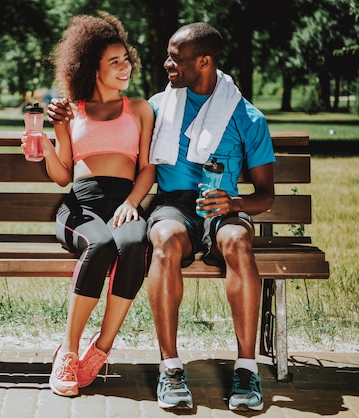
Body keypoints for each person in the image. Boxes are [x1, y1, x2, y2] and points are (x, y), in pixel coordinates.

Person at [144, 22, 275, 411]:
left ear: (204, 60)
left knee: (236, 241)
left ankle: (247, 371)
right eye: (168, 55)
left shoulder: (247, 117)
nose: (168, 64)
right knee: (165, 237)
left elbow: (266, 195)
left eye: (176, 58)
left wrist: (233, 205)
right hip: (174, 203)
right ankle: (169, 369)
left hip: (223, 204)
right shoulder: (157, 107)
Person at [24, 11, 155, 397]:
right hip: (81, 207)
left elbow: (147, 169)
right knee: (101, 243)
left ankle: (102, 348)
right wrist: (47, 143)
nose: (124, 67)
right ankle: (68, 350)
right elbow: (64, 174)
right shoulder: (72, 110)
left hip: (124, 203)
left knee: (133, 243)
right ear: (91, 68)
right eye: (113, 62)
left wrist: (133, 202)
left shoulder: (141, 109)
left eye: (125, 59)